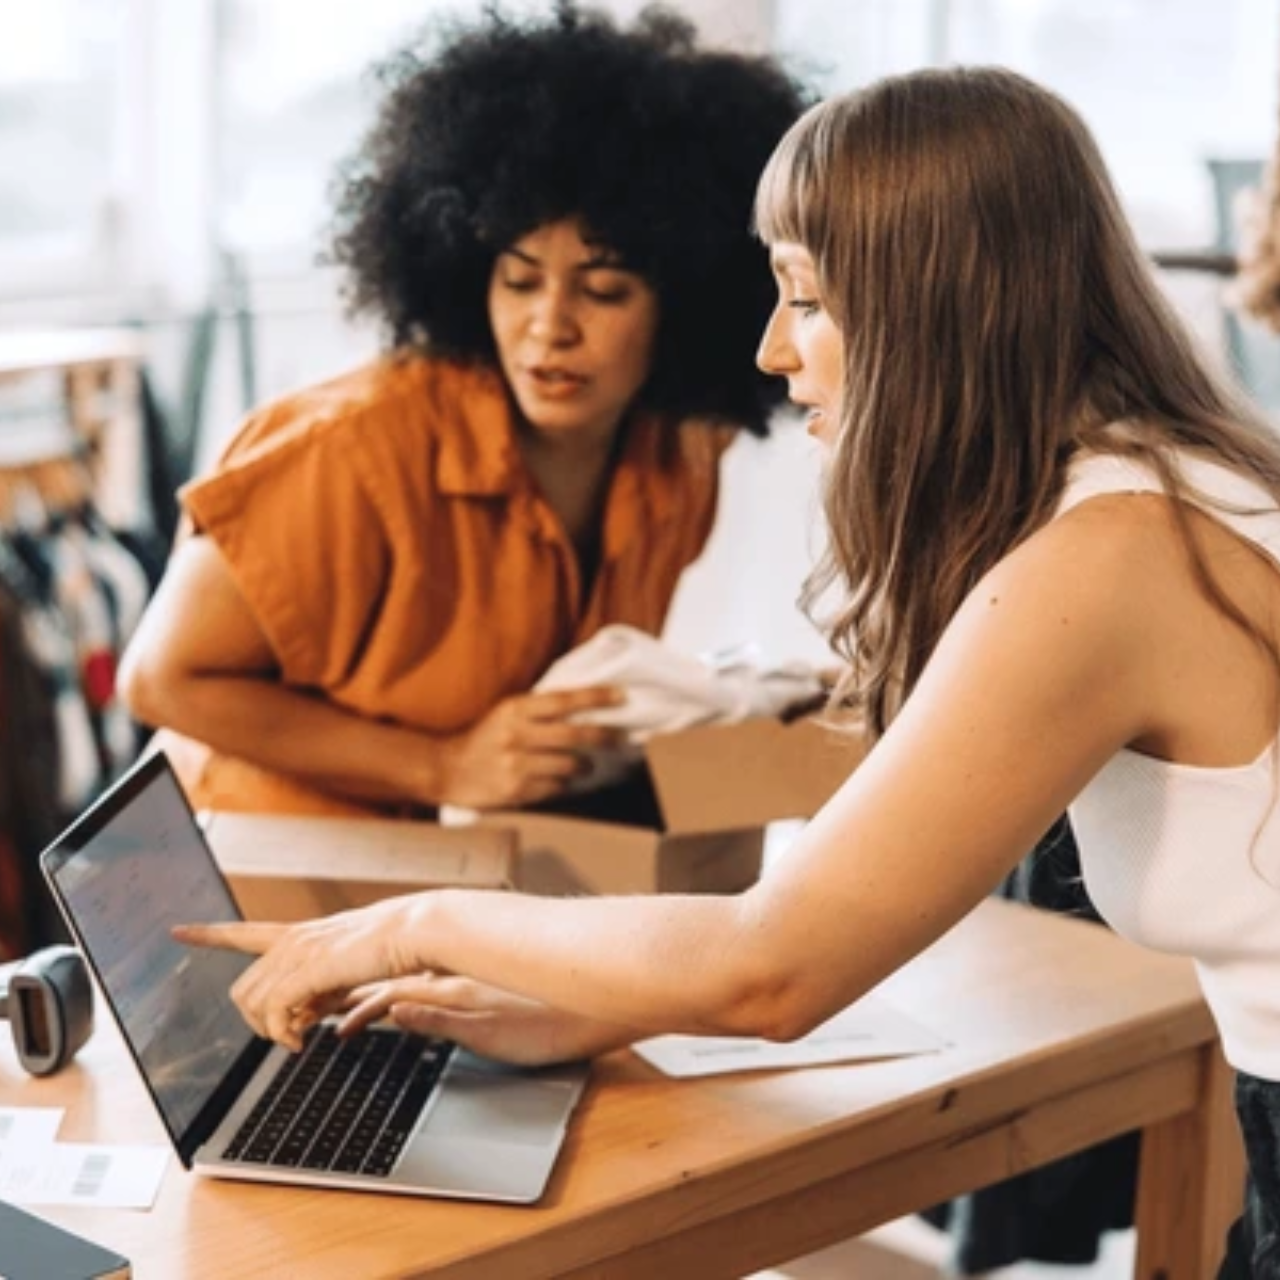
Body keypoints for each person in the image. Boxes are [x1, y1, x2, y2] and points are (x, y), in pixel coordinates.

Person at [177, 66, 1280, 1276]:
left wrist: (410, 928)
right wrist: (597, 999)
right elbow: (886, 874)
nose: (768, 348)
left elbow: (774, 966)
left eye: (801, 299)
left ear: (925, 310)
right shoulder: (1179, 478)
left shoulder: (1104, 557)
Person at [117, 2, 811, 818]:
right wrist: (439, 766)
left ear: (686, 303)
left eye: (604, 289)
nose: (548, 326)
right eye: (517, 280)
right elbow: (159, 679)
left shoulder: (680, 457)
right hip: (238, 859)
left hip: (440, 873)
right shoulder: (350, 450)